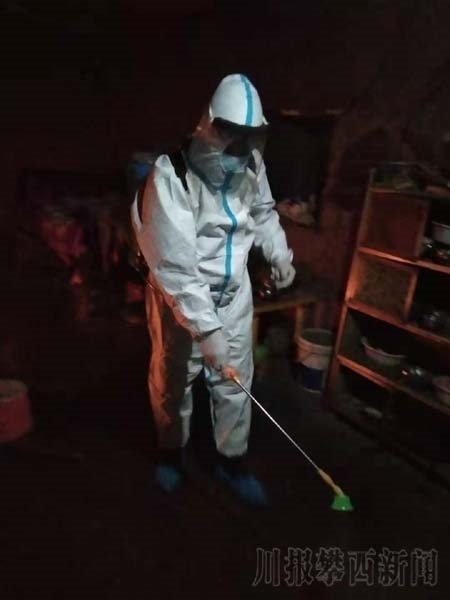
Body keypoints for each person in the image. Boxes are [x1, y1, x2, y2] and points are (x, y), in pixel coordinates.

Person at [131, 74, 295, 506]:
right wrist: (207, 330)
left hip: (233, 296)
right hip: (178, 301)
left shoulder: (251, 164)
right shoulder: (172, 176)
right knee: (173, 380)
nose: (240, 148)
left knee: (236, 383)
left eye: (249, 137)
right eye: (230, 135)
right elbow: (175, 267)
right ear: (209, 127)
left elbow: (263, 212)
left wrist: (279, 253)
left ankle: (232, 461)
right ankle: (171, 454)